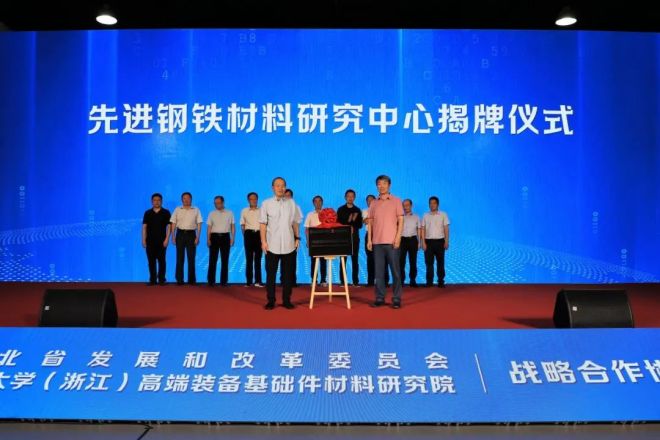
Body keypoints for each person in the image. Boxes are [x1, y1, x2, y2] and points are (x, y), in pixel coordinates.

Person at [260, 177, 301, 309]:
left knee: (288, 275)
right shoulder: (266, 203)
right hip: (272, 244)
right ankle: (271, 300)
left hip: (289, 244)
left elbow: (295, 222)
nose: (280, 188)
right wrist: (263, 242)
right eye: (277, 185)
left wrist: (297, 238)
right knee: (271, 275)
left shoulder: (291, 203)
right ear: (273, 188)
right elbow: (263, 224)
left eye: (283, 185)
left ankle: (286, 300)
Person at [367, 175, 404, 308]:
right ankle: (380, 297)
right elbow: (370, 222)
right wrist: (369, 240)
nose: (381, 186)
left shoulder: (396, 201)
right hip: (377, 242)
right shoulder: (373, 203)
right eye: (379, 184)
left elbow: (401, 220)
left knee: (396, 272)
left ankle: (396, 298)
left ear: (389, 185)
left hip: (392, 242)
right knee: (379, 273)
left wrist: (398, 237)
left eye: (384, 183)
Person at [170, 192, 203, 285]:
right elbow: (173, 223)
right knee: (179, 258)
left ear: (191, 199)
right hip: (180, 234)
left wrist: (198, 237)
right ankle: (179, 279)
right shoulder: (177, 209)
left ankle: (191, 280)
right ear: (182, 200)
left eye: (188, 198)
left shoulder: (196, 209)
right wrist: (173, 236)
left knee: (191, 258)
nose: (186, 200)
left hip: (191, 235)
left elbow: (199, 223)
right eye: (184, 198)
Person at [141, 193, 171, 285]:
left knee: (162, 261)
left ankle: (161, 280)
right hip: (150, 241)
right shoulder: (147, 213)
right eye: (155, 200)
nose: (157, 202)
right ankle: (152, 280)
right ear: (152, 201)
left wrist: (167, 239)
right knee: (151, 261)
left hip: (162, 241)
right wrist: (143, 239)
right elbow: (144, 227)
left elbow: (169, 227)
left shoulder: (166, 212)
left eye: (158, 200)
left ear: (161, 201)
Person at [421, 196, 450, 288]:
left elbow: (446, 228)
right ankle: (429, 282)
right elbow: (423, 229)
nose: (432, 205)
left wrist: (446, 241)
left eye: (434, 203)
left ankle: (441, 281)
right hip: (428, 242)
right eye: (430, 203)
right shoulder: (425, 215)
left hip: (440, 242)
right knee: (429, 263)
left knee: (440, 262)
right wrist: (423, 242)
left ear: (437, 204)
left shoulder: (443, 214)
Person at [206, 196, 235, 287]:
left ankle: (224, 281)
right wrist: (208, 238)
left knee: (225, 260)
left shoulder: (229, 213)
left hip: (225, 237)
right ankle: (211, 281)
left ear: (223, 202)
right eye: (215, 203)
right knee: (212, 259)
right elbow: (209, 227)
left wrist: (232, 238)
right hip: (214, 237)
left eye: (218, 203)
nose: (217, 205)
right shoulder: (211, 213)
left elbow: (232, 226)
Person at [337, 189, 363, 286]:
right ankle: (343, 281)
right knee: (343, 260)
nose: (350, 198)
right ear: (345, 197)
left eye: (352, 196)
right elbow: (338, 223)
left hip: (354, 237)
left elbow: (360, 225)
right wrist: (347, 225)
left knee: (355, 259)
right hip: (343, 238)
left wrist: (353, 225)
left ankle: (355, 282)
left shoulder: (357, 210)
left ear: (354, 198)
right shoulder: (340, 209)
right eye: (348, 196)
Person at [240, 192, 263, 287]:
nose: (253, 200)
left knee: (258, 259)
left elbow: (264, 224)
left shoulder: (262, 210)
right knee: (248, 258)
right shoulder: (244, 211)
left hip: (259, 234)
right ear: (248, 200)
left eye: (255, 199)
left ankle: (258, 281)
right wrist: (245, 236)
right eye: (251, 199)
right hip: (248, 234)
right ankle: (249, 281)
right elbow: (242, 225)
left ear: (257, 199)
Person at [281, 188, 302, 287]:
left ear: (292, 197)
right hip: (280, 235)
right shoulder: (279, 206)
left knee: (292, 259)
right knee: (282, 258)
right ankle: (283, 281)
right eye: (285, 195)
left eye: (289, 195)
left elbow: (297, 223)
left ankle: (292, 281)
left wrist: (297, 237)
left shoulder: (296, 207)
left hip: (292, 235)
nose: (287, 197)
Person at [304, 195, 327, 286]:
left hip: (324, 240)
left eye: (319, 201)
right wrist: (308, 241)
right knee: (314, 261)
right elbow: (307, 229)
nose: (318, 203)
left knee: (323, 261)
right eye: (316, 201)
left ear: (322, 202)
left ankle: (323, 280)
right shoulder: (310, 214)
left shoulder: (326, 213)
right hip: (313, 241)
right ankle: (314, 280)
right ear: (313, 203)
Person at [399, 199, 421, 287]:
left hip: (413, 240)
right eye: (404, 205)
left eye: (407, 205)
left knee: (413, 261)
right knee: (401, 262)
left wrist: (419, 242)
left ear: (411, 206)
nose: (405, 207)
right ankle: (401, 280)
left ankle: (413, 280)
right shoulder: (400, 217)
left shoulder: (416, 217)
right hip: (402, 240)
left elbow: (419, 229)